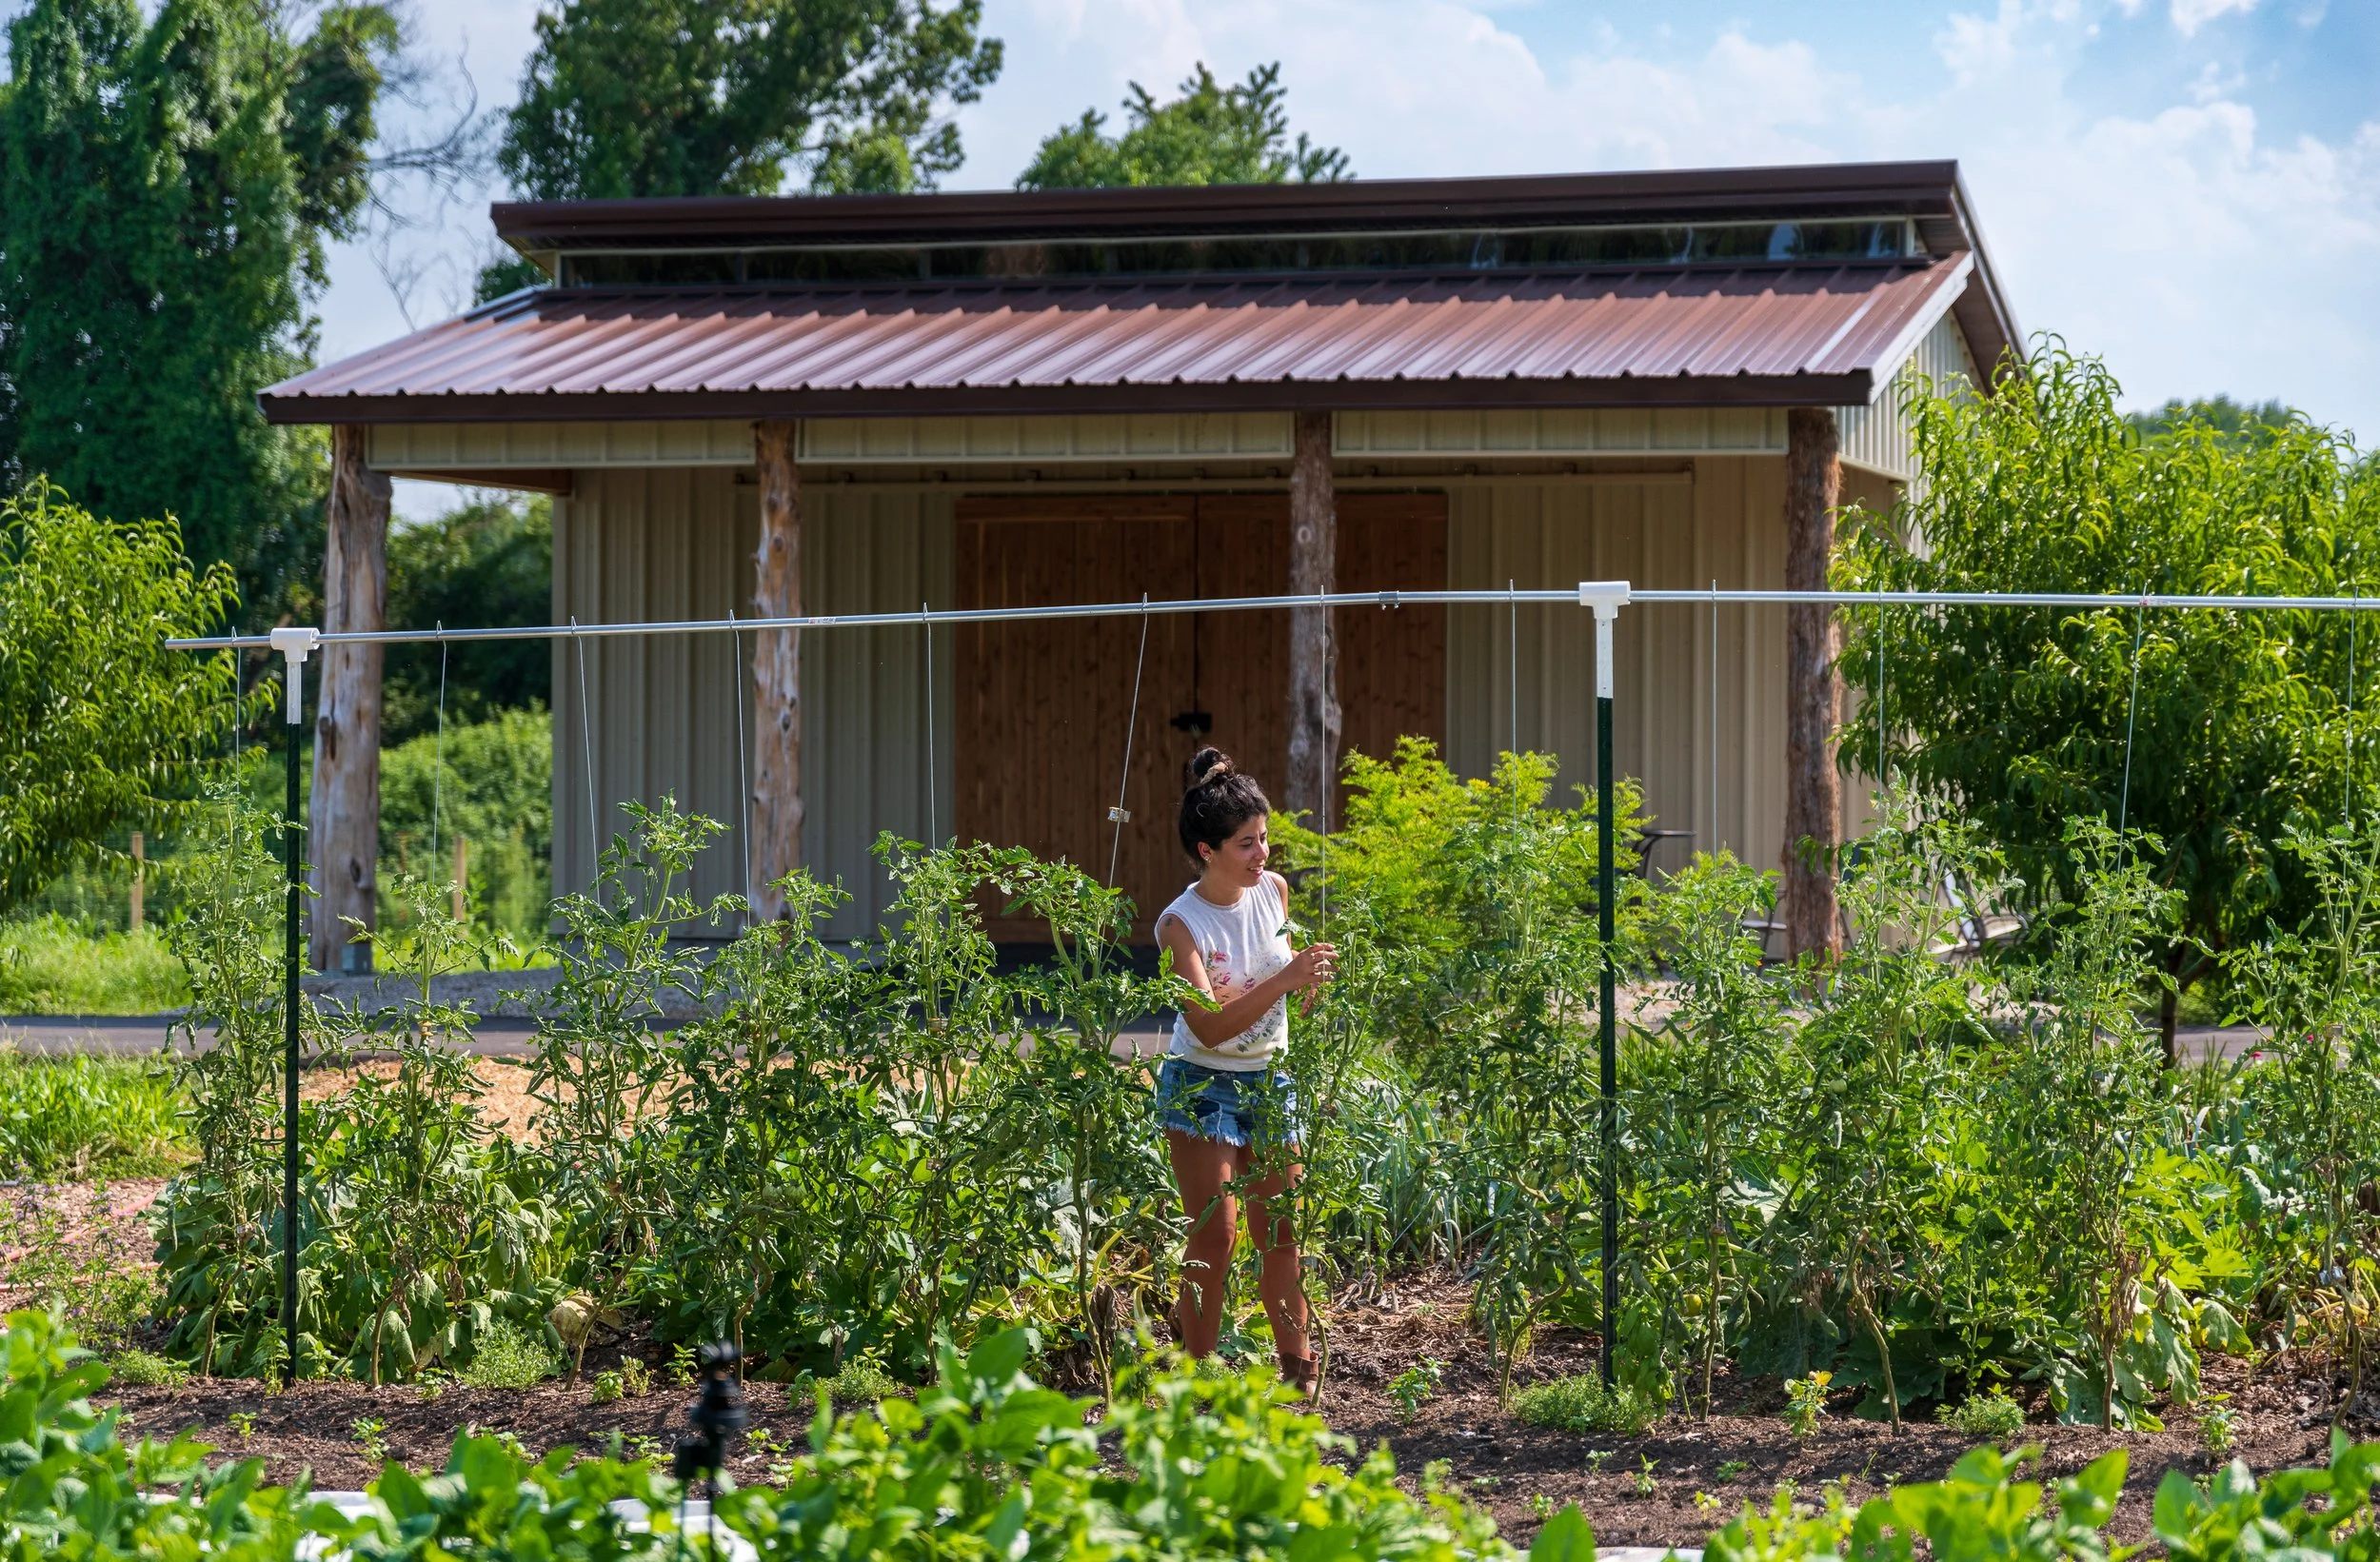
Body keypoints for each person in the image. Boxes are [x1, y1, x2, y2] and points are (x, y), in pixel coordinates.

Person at [1153, 747, 1338, 1394]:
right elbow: (1207, 1024)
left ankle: (1297, 1370)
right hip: (1203, 1082)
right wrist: (1286, 978)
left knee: (1281, 1231)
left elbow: (1278, 971)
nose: (1262, 856)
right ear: (1207, 850)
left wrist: (1307, 980)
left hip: (1269, 1079)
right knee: (1217, 1236)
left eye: (1264, 839)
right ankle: (1198, 1376)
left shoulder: (1275, 890)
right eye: (1245, 844)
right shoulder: (1181, 925)